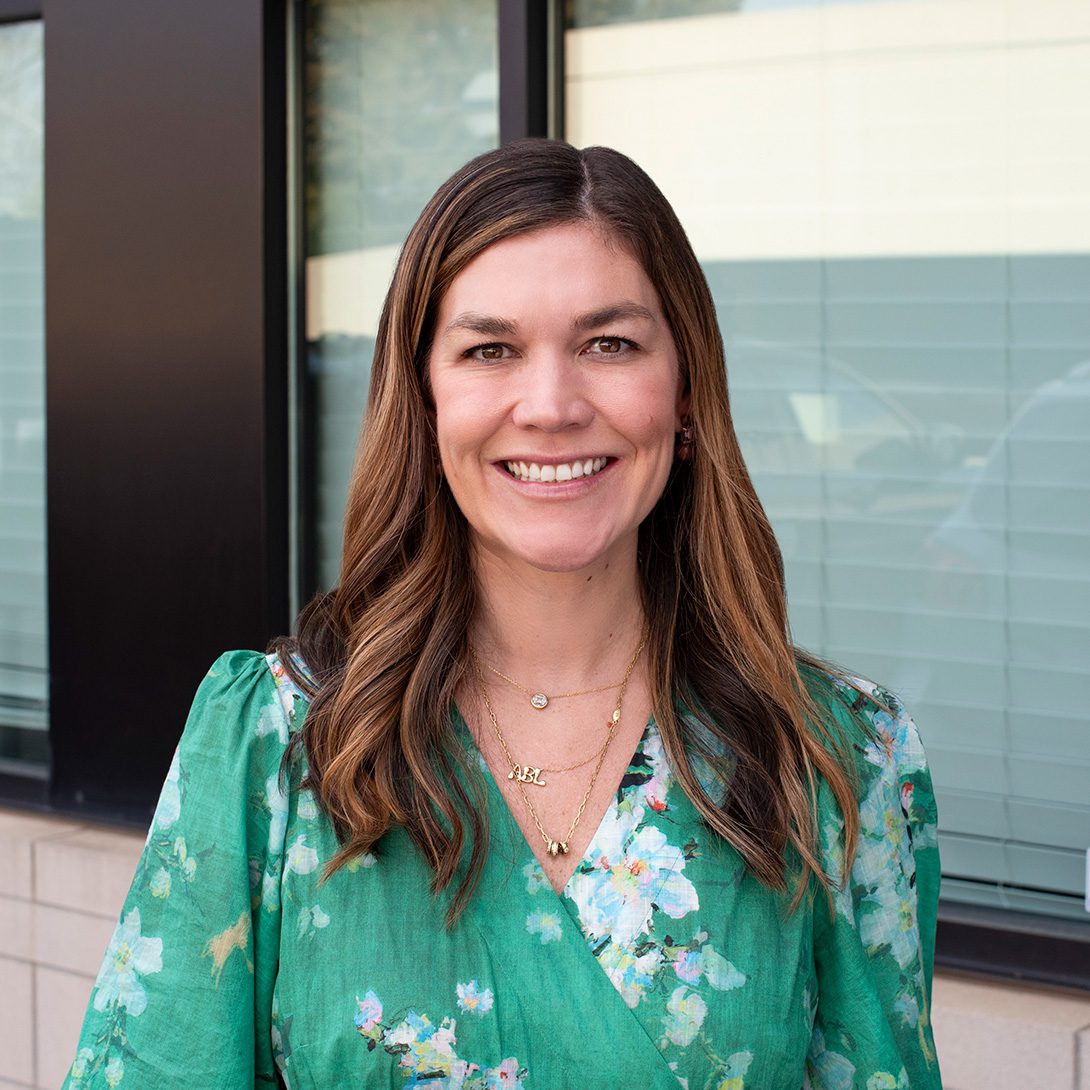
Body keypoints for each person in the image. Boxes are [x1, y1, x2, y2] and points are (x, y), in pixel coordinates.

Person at [62, 140, 941, 1090]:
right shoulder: (278, 741)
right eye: (491, 350)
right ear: (424, 398)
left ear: (685, 392)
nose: (551, 405)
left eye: (610, 344)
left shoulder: (836, 759)